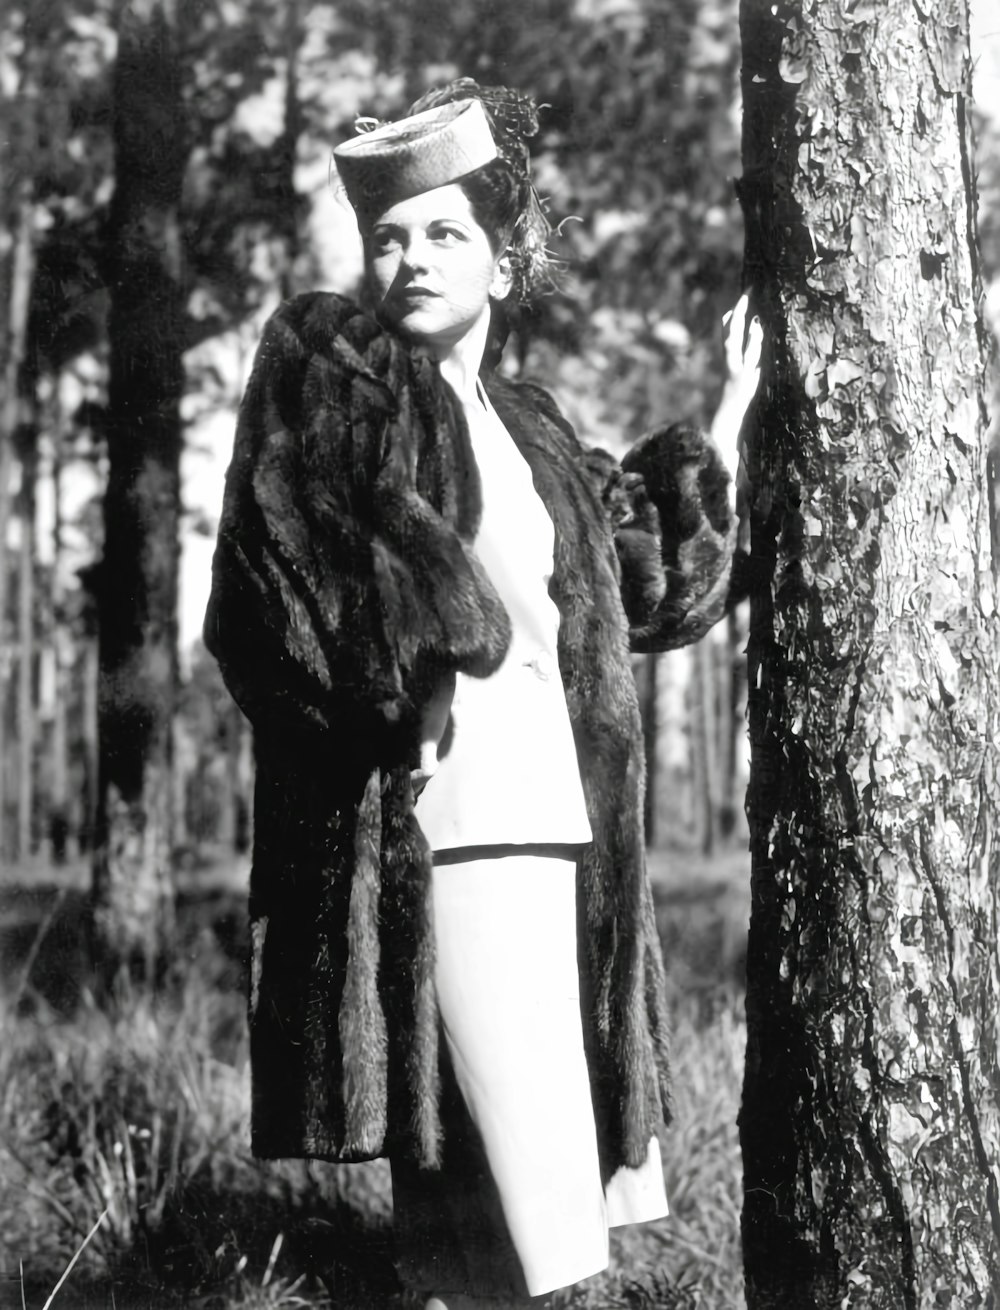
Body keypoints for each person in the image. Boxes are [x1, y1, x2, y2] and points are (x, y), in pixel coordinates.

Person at [204, 79, 762, 1310]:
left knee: (465, 1240)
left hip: (564, 836)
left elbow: (644, 596)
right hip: (443, 835)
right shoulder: (337, 380)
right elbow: (276, 584)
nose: (409, 256)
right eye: (390, 235)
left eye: (445, 232)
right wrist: (413, 668)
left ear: (506, 265)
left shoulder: (532, 430)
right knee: (550, 1216)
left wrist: (724, 421)